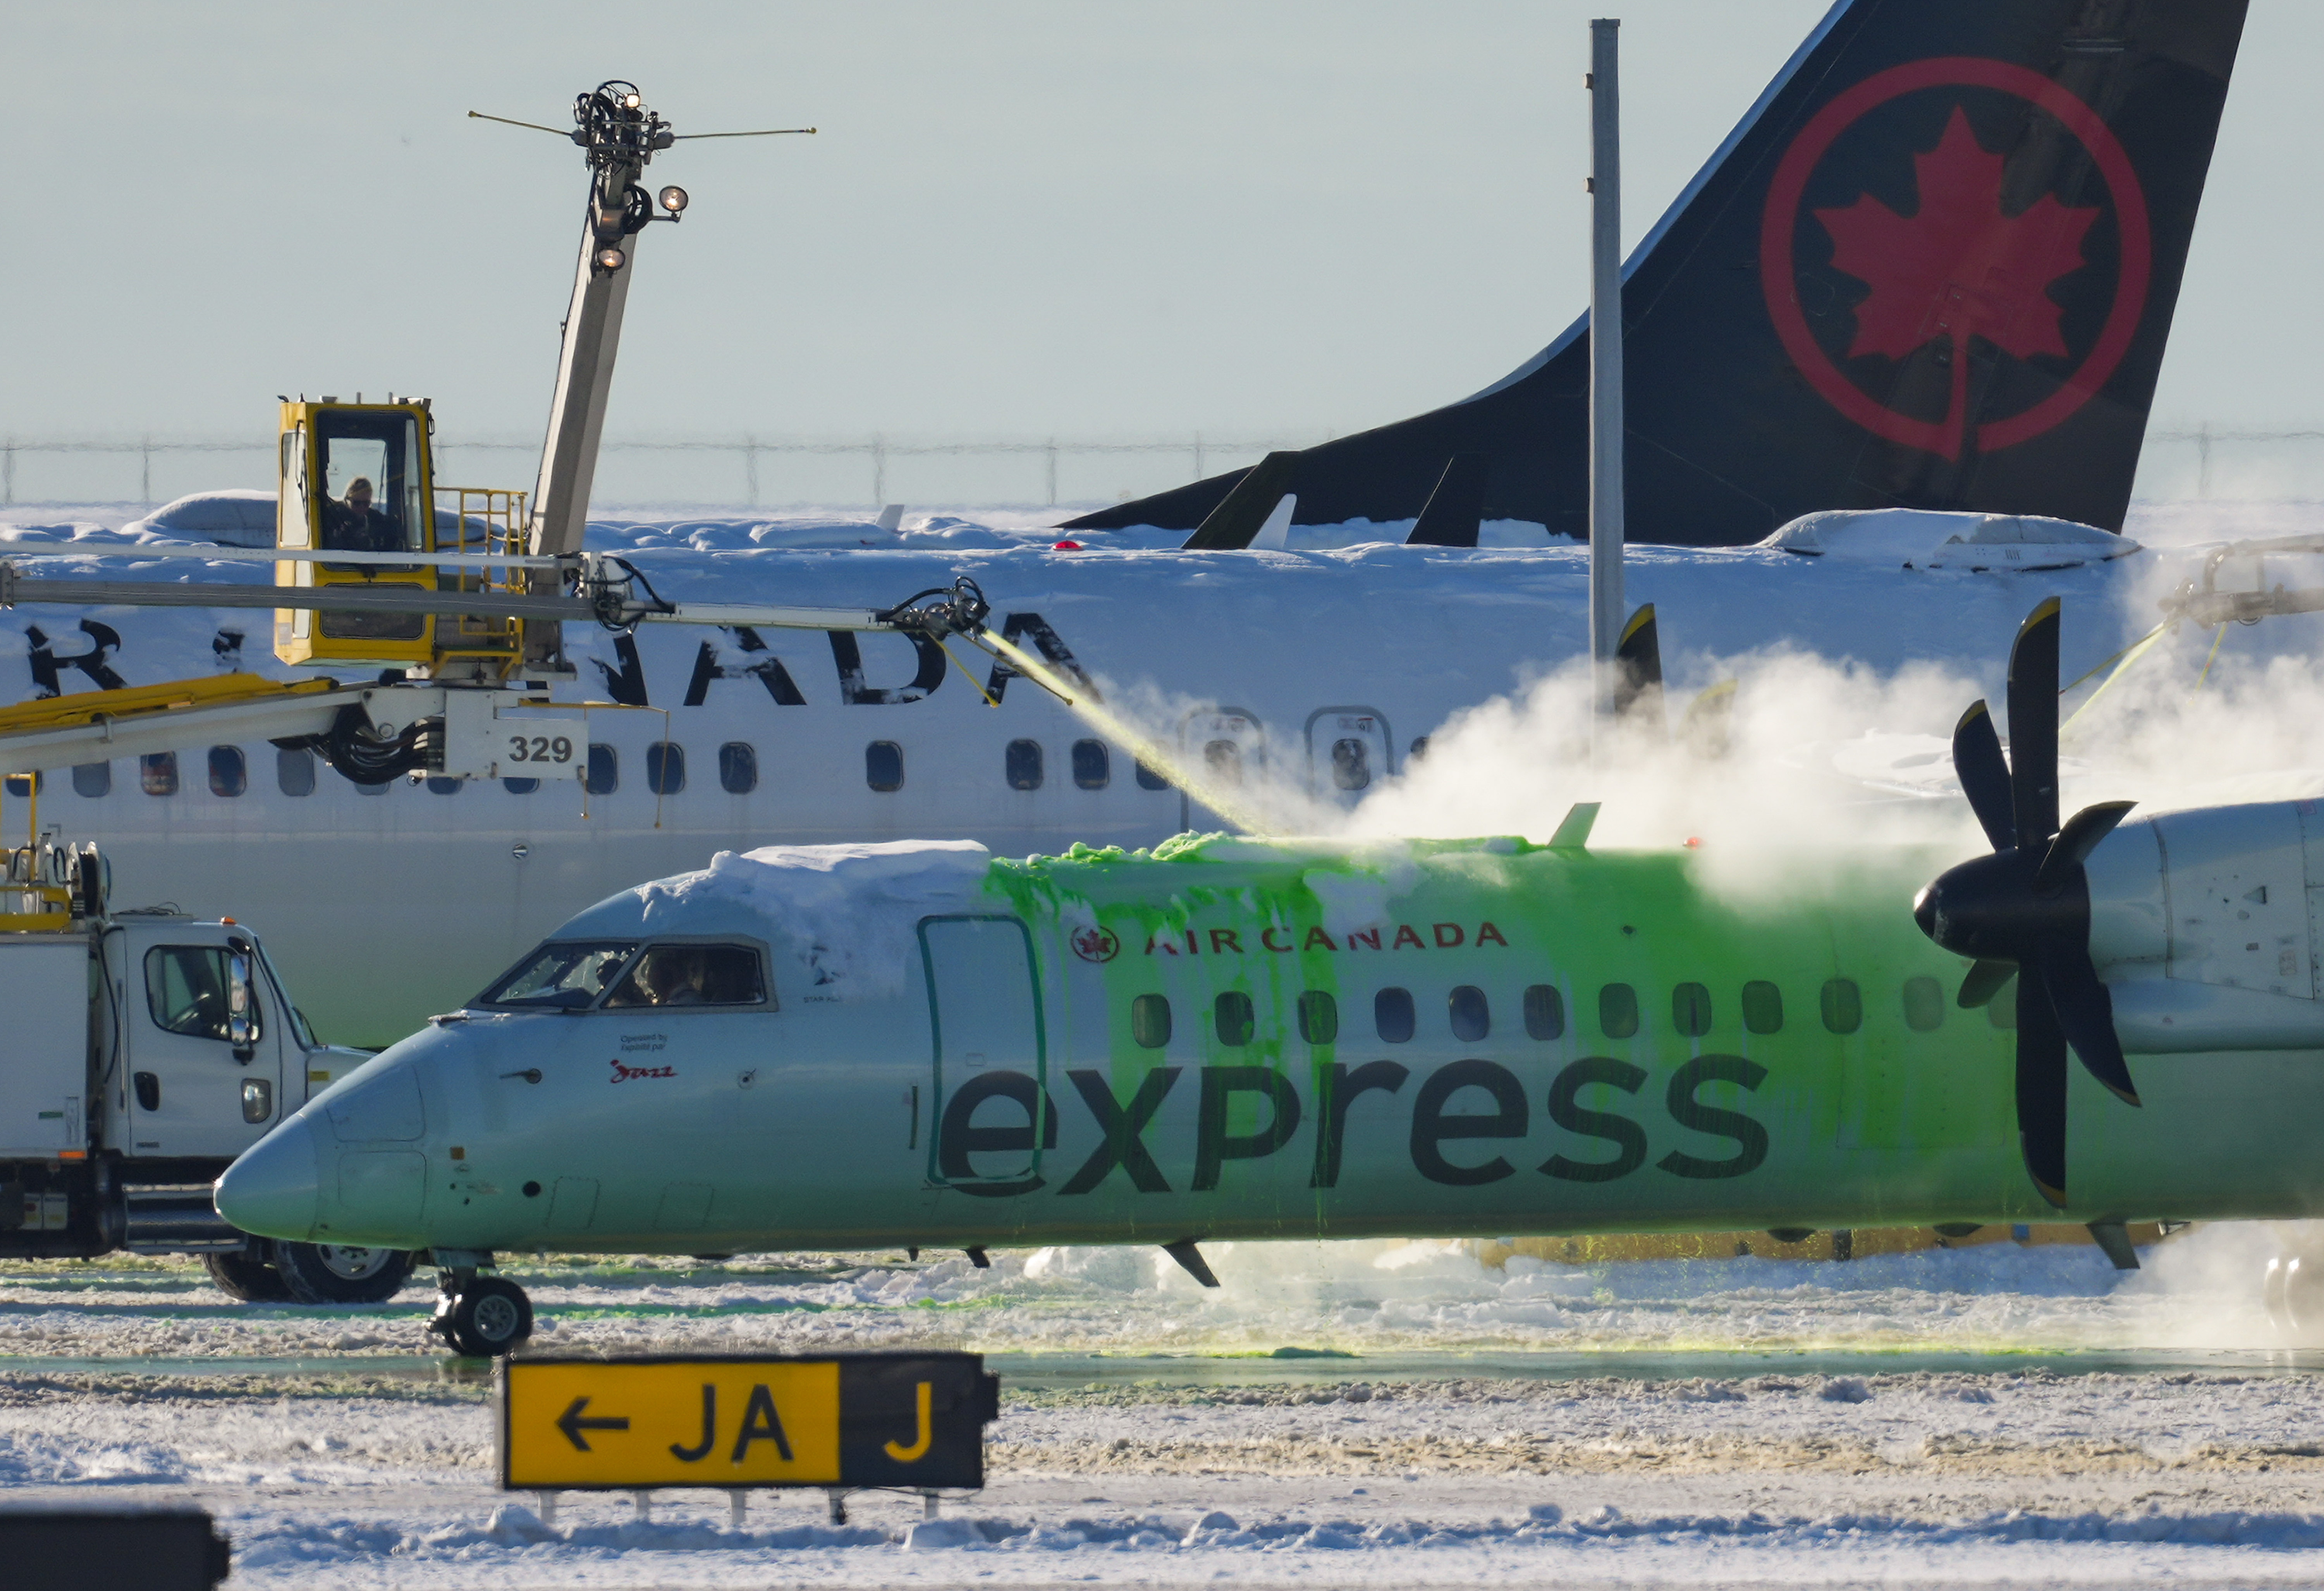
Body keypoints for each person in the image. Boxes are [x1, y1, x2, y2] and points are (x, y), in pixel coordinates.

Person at [321, 476, 401, 553]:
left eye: (366, 503)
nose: (362, 507)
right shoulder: (336, 518)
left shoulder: (376, 518)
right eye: (356, 503)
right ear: (347, 500)